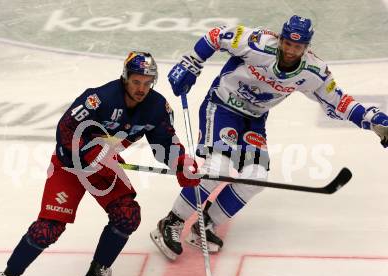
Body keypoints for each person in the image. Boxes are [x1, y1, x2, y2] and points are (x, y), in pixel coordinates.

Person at [150, 15, 388, 261]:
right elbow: (217, 35)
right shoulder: (258, 42)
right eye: (287, 43)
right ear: (281, 38)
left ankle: (206, 224)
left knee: (256, 178)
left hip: (253, 119)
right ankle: (171, 222)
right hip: (222, 106)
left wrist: (372, 121)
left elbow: (339, 101)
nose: (290, 50)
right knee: (217, 167)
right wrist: (193, 62)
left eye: (297, 47)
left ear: (306, 48)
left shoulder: (314, 71)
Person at [0, 51, 199, 276]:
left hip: (104, 167)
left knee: (127, 214)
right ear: (125, 78)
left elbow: (164, 143)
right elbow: (65, 129)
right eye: (136, 81)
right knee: (49, 228)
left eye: (147, 82)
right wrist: (86, 152)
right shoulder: (99, 98)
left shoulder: (157, 107)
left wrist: (182, 164)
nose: (141, 89)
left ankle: (96, 274)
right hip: (70, 165)